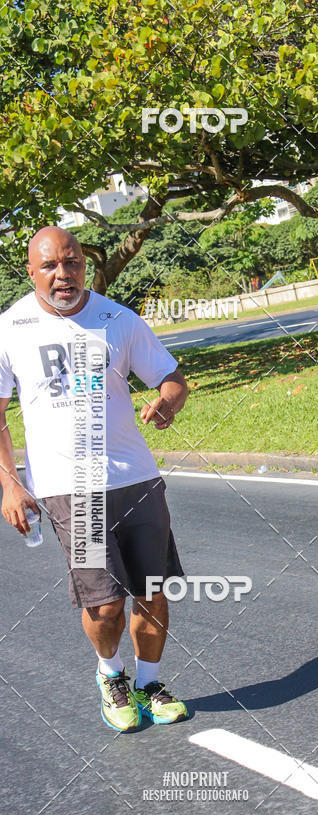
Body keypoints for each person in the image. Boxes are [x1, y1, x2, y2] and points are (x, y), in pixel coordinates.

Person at [0, 226, 191, 730]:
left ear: (84, 263)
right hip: (69, 487)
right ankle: (111, 674)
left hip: (135, 477)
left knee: (152, 591)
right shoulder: (10, 328)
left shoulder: (117, 319)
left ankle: (149, 681)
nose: (63, 274)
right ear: (31, 271)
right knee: (104, 604)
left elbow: (172, 378)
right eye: (50, 266)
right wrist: (10, 483)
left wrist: (168, 401)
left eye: (73, 262)